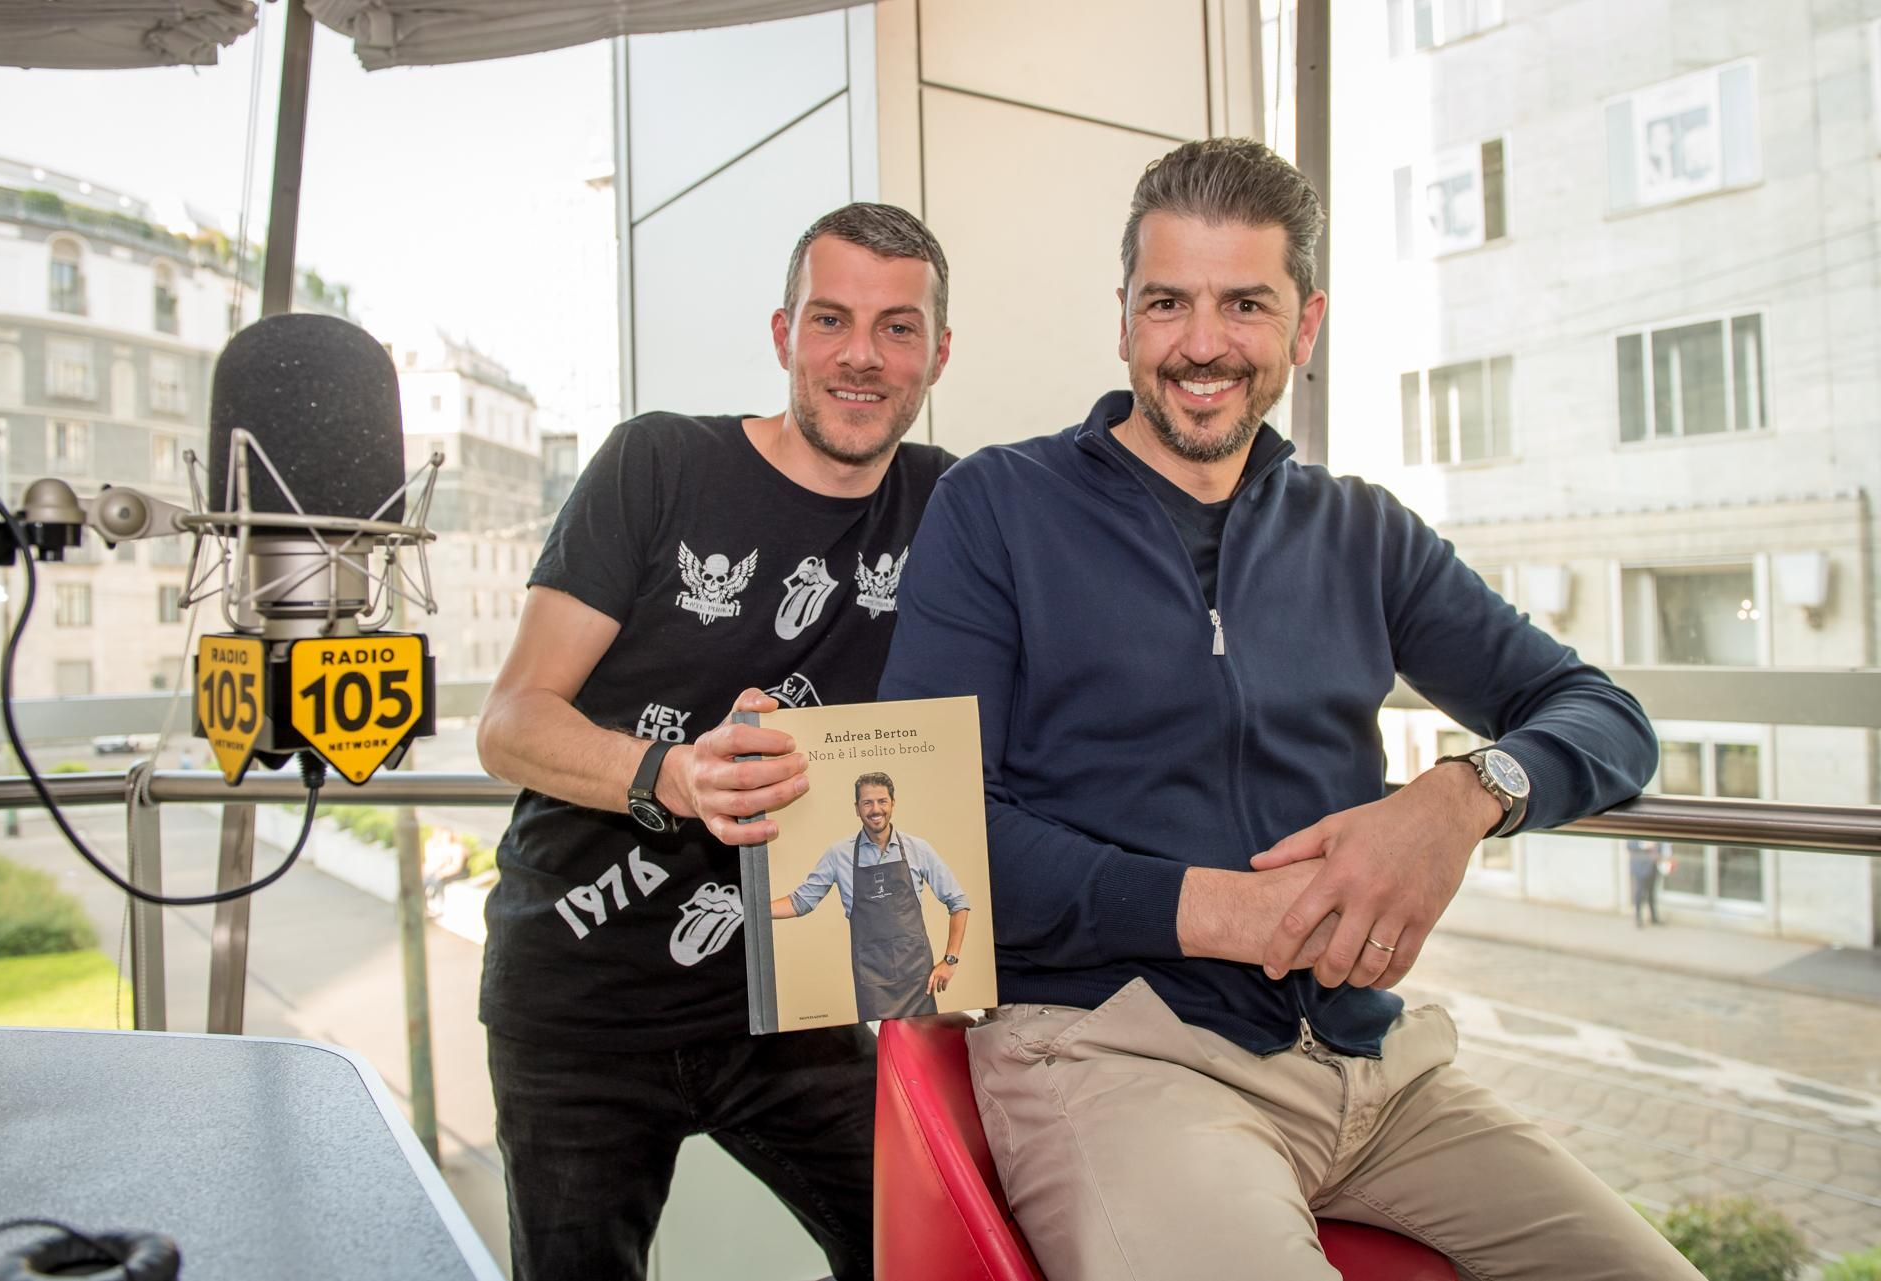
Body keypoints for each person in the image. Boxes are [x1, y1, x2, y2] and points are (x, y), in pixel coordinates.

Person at [879, 137, 1698, 1279]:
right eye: (1168, 302)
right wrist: (1229, 913)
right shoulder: (997, 506)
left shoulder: (1363, 530)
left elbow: (1604, 716)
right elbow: (931, 835)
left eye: (1245, 304)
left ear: (1305, 327)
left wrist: (1463, 796)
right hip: (1115, 1057)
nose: (1201, 343)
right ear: (1124, 319)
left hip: (1379, 1072)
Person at [475, 203, 954, 1281]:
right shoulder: (658, 462)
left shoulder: (947, 502)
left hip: (791, 1007)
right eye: (831, 319)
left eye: (898, 327)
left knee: (927, 1255)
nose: (862, 356)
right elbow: (509, 722)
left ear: (938, 353)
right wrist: (675, 774)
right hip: (580, 1002)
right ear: (784, 335)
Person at [770, 770, 971, 1019]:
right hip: (871, 978)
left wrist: (950, 960)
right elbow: (800, 902)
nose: (876, 809)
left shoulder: (918, 849)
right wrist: (753, 910)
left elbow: (958, 902)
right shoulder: (838, 855)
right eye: (867, 803)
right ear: (857, 808)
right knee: (882, 1042)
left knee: (920, 1042)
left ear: (893, 804)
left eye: (882, 801)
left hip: (917, 977)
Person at [1629, 836, 1665, 927]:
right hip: (1641, 867)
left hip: (1653, 866)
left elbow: (1660, 846)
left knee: (1651, 893)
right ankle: (1638, 918)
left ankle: (1653, 917)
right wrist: (1645, 845)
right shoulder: (1635, 833)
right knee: (1640, 893)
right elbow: (1630, 845)